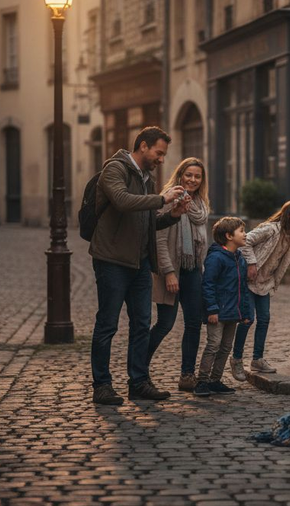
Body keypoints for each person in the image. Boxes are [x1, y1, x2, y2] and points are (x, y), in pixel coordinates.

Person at [89, 127, 189, 406]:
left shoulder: (148, 178)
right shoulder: (115, 169)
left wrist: (172, 215)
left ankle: (138, 381)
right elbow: (122, 202)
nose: (161, 159)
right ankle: (102, 385)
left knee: (142, 324)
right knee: (107, 324)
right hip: (112, 259)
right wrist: (162, 199)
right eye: (159, 153)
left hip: (140, 263)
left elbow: (147, 221)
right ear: (143, 146)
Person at [147, 158, 210, 392]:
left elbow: (202, 241)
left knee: (194, 323)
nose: (193, 180)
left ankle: (187, 375)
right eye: (189, 175)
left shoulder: (200, 205)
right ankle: (139, 370)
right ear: (180, 175)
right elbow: (159, 240)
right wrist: (169, 273)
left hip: (193, 270)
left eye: (198, 176)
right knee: (165, 324)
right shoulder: (169, 198)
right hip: (172, 271)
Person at [230, 200, 290, 380]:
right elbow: (245, 241)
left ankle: (257, 359)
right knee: (247, 319)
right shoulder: (270, 229)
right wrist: (251, 263)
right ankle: (236, 359)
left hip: (264, 284)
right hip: (249, 281)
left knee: (264, 319)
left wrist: (272, 282)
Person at [196, 216, 252, 397]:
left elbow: (242, 288)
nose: (245, 234)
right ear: (229, 235)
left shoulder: (239, 258)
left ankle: (215, 380)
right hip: (218, 313)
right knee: (213, 345)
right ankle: (202, 381)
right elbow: (208, 285)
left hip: (232, 313)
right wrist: (212, 310)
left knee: (226, 347)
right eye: (241, 231)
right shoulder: (216, 258)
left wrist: (244, 312)